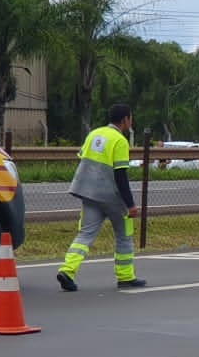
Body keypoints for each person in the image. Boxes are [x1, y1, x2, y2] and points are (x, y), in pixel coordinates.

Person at [57, 103, 146, 290]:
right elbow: (121, 175)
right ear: (125, 120)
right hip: (110, 196)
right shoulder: (120, 141)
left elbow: (83, 159)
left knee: (85, 234)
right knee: (124, 234)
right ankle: (125, 276)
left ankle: (67, 270)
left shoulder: (94, 134)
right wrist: (130, 205)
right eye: (130, 118)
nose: (131, 122)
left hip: (88, 193)